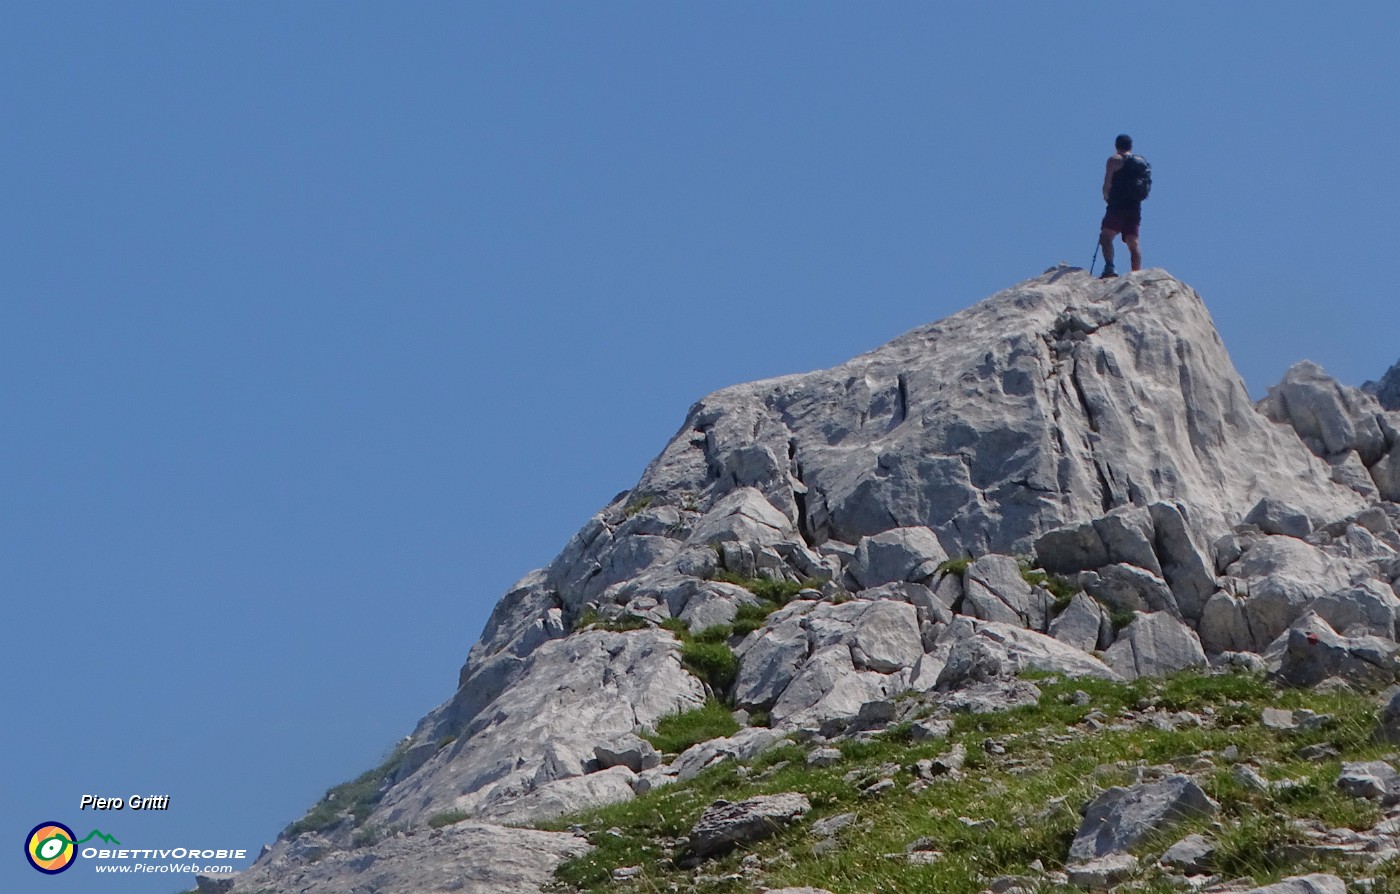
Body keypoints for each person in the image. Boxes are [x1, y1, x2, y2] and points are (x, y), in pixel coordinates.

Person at [1098, 134, 1144, 278]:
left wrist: (1107, 199)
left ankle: (1110, 267)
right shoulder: (1140, 163)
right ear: (1131, 146)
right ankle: (1136, 274)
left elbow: (1107, 185)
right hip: (1135, 206)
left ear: (1116, 146)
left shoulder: (1114, 160)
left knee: (1106, 236)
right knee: (1133, 241)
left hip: (1117, 205)